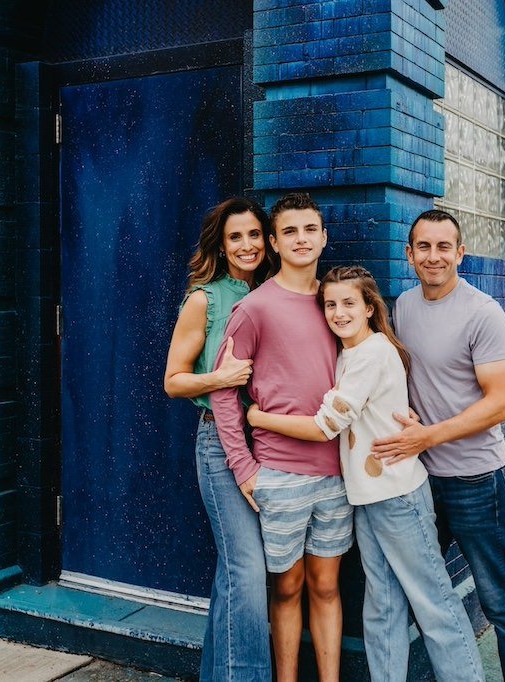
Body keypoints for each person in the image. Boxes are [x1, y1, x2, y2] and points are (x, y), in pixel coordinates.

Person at [246, 265, 485, 682]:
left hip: (397, 497)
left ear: (370, 308)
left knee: (433, 603)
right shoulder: (350, 353)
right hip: (367, 499)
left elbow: (324, 426)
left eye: (349, 303)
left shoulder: (372, 353)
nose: (338, 312)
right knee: (382, 607)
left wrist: (258, 417)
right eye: (330, 304)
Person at [371, 209, 505, 681]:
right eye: (423, 246)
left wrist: (428, 435)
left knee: (499, 601)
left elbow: (501, 403)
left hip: (474, 481)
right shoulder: (402, 306)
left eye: (444, 247)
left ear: (460, 253)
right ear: (409, 254)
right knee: (407, 592)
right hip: (419, 481)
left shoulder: (483, 313)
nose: (434, 256)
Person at [210, 192, 352, 682]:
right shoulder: (254, 308)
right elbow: (224, 394)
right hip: (280, 473)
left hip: (336, 474)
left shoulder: (337, 303)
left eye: (309, 229)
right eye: (289, 232)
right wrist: (243, 467)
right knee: (286, 588)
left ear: (323, 236)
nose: (301, 239)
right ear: (274, 242)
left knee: (327, 587)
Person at [164, 197, 277, 682]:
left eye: (254, 234)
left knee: (234, 573)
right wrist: (221, 377)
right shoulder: (204, 299)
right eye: (236, 237)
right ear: (221, 244)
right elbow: (174, 380)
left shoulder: (272, 293)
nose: (247, 245)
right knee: (248, 572)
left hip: (267, 445)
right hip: (218, 448)